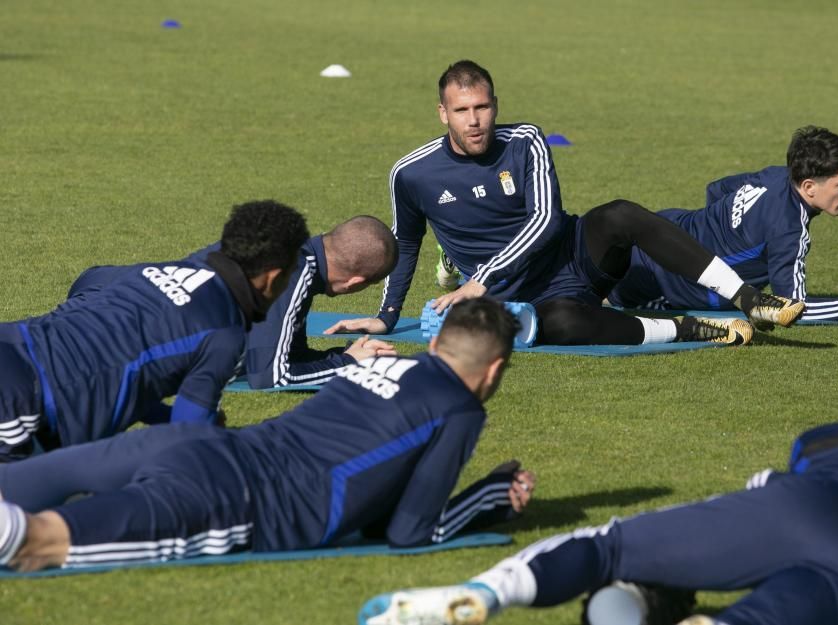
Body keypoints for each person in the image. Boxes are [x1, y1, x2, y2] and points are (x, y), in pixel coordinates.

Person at [359, 377, 838, 625]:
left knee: (608, 548)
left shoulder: (829, 438)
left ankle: (486, 595)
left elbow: (785, 490)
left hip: (797, 506)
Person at [0, 298, 535, 570]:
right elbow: (409, 532)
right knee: (32, 544)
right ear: (493, 371)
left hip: (197, 444)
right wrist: (488, 497)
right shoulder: (460, 409)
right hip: (237, 498)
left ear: (438, 343)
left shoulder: (383, 368)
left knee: (17, 485)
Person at [327, 60, 805, 347]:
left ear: (495, 104)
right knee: (560, 323)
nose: (475, 121)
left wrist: (480, 279)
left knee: (620, 214)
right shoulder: (411, 173)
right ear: (442, 113)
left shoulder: (525, 140)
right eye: (462, 111)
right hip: (522, 298)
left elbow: (545, 221)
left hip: (574, 256)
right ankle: (692, 330)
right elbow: (406, 243)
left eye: (483, 107)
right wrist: (387, 315)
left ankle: (749, 300)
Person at [0, 200, 309, 462]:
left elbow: (96, 291)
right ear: (273, 277)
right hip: (27, 398)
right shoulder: (225, 334)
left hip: (13, 341)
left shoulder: (162, 269)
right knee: (25, 525)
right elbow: (186, 438)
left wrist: (165, 416)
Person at [607, 126, 838, 322]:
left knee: (585, 284)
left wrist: (719, 236)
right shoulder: (790, 228)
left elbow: (717, 189)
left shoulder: (774, 175)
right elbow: (793, 309)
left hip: (656, 227)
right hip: (677, 283)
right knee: (598, 298)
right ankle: (665, 302)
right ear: (810, 186)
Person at [69, 215, 400, 389]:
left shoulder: (286, 249)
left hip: (101, 283)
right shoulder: (293, 273)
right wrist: (347, 367)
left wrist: (340, 355)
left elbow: (287, 353)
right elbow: (272, 377)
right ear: (356, 283)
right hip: (114, 326)